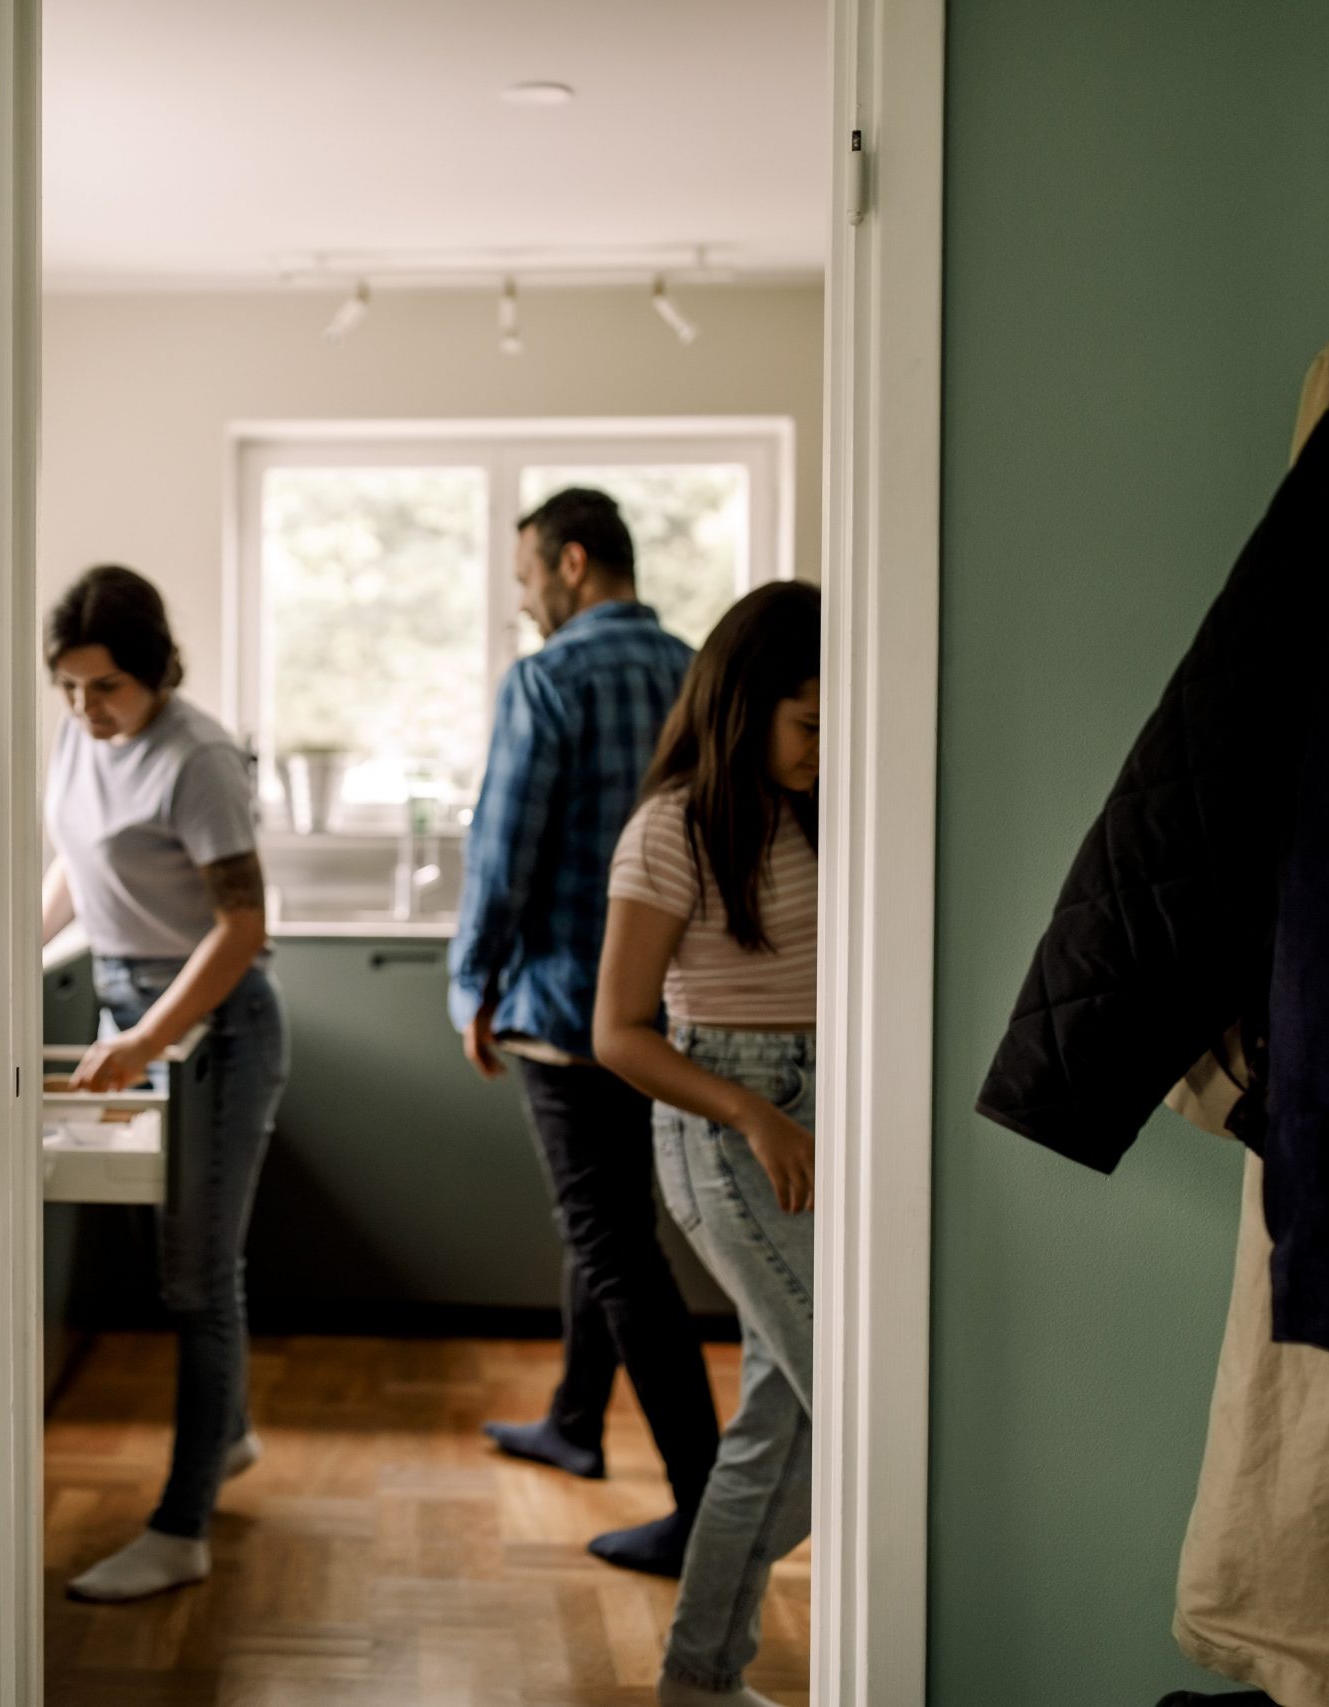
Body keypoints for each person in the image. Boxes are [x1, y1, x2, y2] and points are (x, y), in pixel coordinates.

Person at [450, 486, 722, 1575]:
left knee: (612, 1244)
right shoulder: (701, 672)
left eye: (523, 580)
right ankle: (572, 1418)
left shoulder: (548, 678)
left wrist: (471, 983)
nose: (522, 605)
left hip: (566, 1009)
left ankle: (703, 1506)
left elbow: (501, 852)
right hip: (672, 1012)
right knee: (608, 1217)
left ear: (569, 564)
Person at [591, 580, 821, 1707]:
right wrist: (753, 1112)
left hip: (823, 1118)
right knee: (860, 1396)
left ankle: (699, 1678)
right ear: (743, 706)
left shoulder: (831, 810)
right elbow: (616, 1033)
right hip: (725, 1122)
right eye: (809, 724)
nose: (826, 749)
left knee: (781, 1413)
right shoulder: (673, 827)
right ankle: (700, 1674)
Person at [41, 563, 287, 1603]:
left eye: (105, 689)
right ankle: (222, 1437)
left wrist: (144, 1036)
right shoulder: (82, 735)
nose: (87, 710)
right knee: (170, 1259)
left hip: (212, 1029)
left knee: (197, 1280)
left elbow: (242, 927)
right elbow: (77, 868)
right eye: (69, 689)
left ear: (153, 673)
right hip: (130, 1009)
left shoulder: (198, 758)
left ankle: (181, 1527)